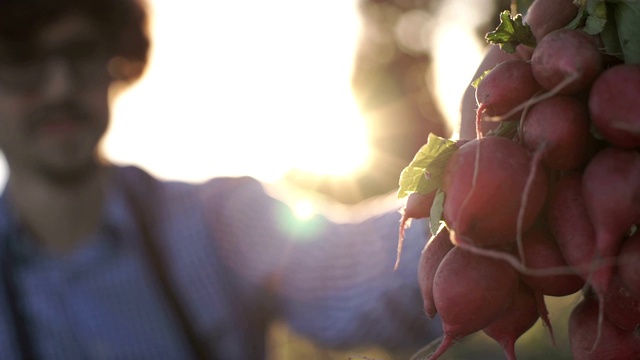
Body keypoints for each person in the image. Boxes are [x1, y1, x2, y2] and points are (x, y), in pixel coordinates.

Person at [0, 0, 439, 359]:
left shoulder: (216, 222)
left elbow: (382, 276)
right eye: (22, 58)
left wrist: (462, 194)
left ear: (114, 60)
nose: (59, 86)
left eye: (80, 54)